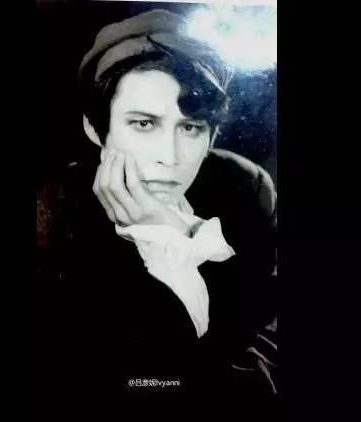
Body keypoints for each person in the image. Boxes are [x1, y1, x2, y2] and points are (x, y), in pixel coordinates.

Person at [36, 8, 277, 418]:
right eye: (144, 124)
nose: (170, 157)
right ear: (96, 129)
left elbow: (267, 359)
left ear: (212, 136)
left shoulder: (247, 187)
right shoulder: (50, 214)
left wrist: (169, 235)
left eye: (190, 128)